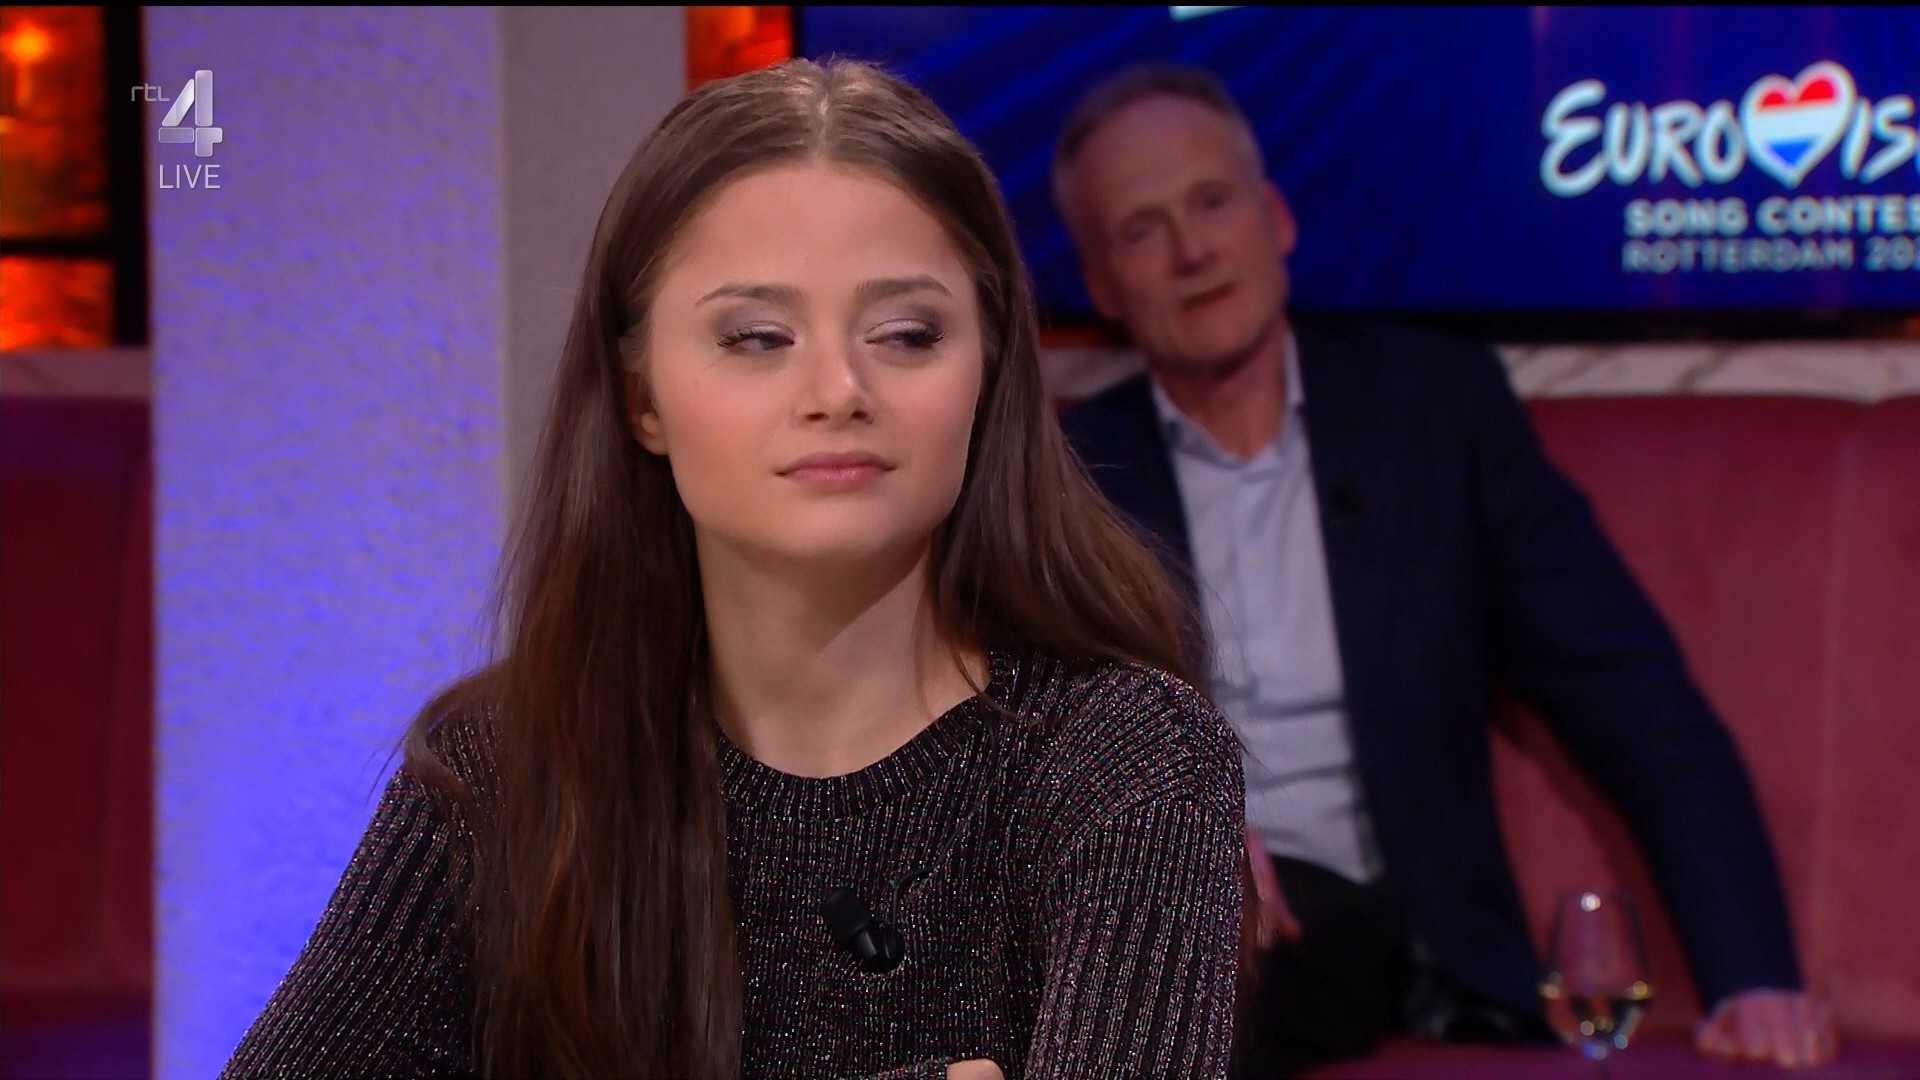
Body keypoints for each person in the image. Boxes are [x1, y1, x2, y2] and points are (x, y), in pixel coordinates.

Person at [219, 58, 1250, 1080]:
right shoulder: (506, 770)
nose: (838, 389)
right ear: (643, 399)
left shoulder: (1128, 762)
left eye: (906, 334)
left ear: (987, 371)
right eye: (758, 337)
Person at [1049, 62, 1836, 1078]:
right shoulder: (1072, 481)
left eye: (1212, 203)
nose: (1194, 251)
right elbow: (1017, 726)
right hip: (1165, 916)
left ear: (1275, 218)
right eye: (1142, 231)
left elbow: (1636, 704)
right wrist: (1172, 822)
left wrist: (1752, 978)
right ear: (1102, 285)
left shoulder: (1436, 414)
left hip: (1371, 930)